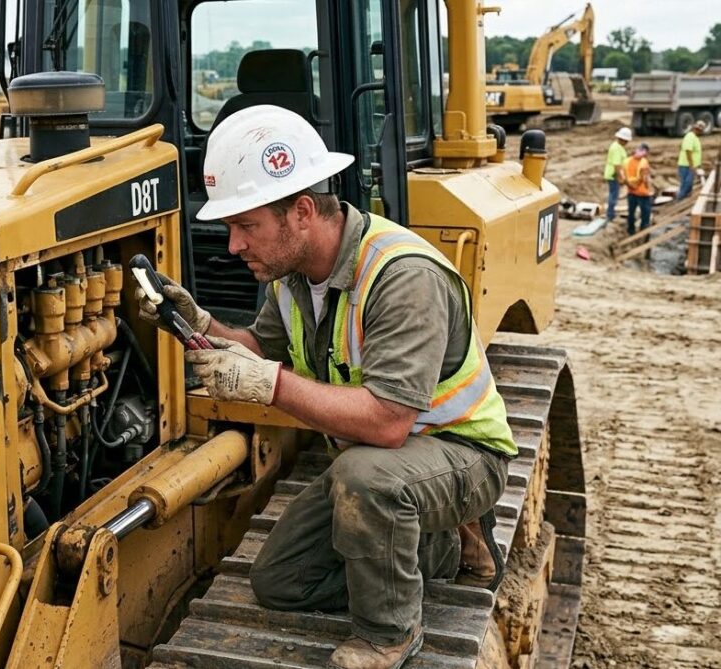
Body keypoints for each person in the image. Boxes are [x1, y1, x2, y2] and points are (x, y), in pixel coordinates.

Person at [137, 105, 516, 669]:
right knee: (279, 580)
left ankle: (390, 634)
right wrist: (202, 325)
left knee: (365, 478)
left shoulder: (401, 276)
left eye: (246, 226)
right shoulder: (291, 278)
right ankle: (439, 543)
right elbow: (263, 353)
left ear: (303, 212)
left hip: (463, 454)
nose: (234, 245)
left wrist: (269, 388)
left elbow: (387, 424)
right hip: (385, 462)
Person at [604, 127, 631, 226]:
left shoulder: (618, 147)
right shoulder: (616, 148)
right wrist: (621, 177)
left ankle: (611, 214)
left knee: (614, 194)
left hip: (613, 174)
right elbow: (617, 165)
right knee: (614, 195)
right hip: (613, 174)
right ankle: (610, 215)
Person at [624, 142, 653, 235]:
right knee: (645, 213)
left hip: (630, 191)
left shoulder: (626, 161)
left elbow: (623, 176)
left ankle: (630, 230)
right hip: (642, 192)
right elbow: (645, 178)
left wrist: (630, 185)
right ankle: (643, 231)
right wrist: (649, 189)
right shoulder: (644, 162)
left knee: (631, 213)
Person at [676, 120, 705, 200]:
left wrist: (698, 165)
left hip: (691, 166)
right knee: (686, 186)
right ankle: (679, 202)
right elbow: (688, 151)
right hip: (686, 166)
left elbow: (696, 153)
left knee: (688, 187)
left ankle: (684, 200)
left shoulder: (695, 138)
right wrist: (692, 165)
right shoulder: (690, 136)